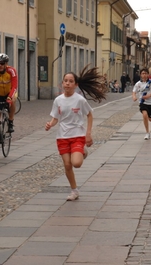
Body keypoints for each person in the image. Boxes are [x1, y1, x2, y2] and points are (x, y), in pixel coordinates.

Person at [45, 66, 106, 201]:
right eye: (65, 81)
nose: (67, 83)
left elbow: (90, 115)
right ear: (62, 83)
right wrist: (50, 124)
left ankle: (82, 152)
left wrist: (88, 134)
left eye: (70, 81)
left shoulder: (80, 100)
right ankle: (74, 190)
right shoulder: (58, 100)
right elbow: (55, 118)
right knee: (67, 165)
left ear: (75, 85)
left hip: (77, 135)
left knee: (76, 163)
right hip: (62, 136)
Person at [132, 68, 151, 140]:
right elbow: (134, 91)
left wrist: (148, 96)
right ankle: (147, 132)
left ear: (148, 74)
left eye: (145, 73)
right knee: (144, 114)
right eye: (143, 73)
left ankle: (148, 129)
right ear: (140, 75)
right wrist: (134, 97)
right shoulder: (138, 84)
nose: (144, 75)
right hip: (142, 102)